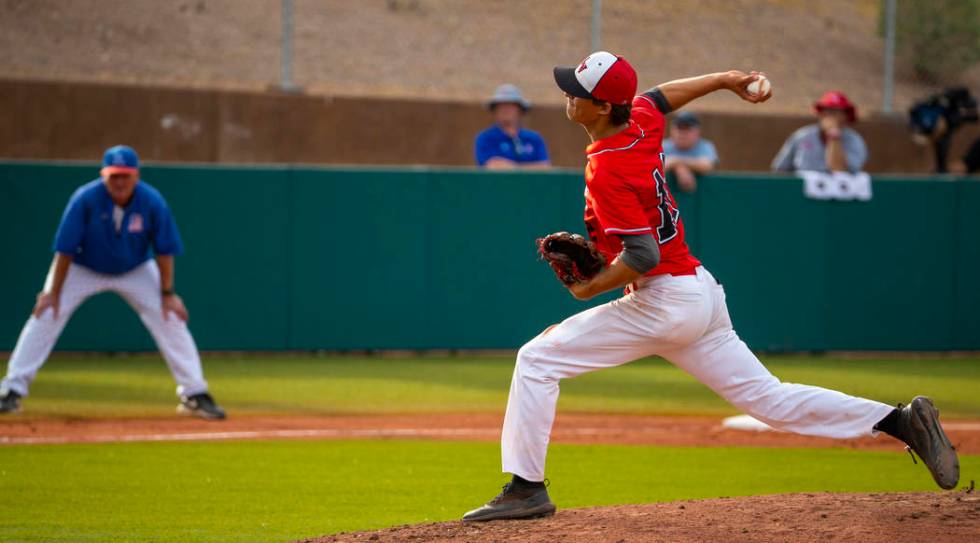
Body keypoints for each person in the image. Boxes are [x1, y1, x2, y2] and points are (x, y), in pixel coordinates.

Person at [462, 52, 958, 522]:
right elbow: (660, 97)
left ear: (601, 105)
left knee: (537, 359)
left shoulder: (609, 166)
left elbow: (641, 256)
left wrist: (589, 288)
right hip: (698, 292)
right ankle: (901, 421)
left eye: (577, 90)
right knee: (770, 399)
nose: (568, 95)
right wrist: (725, 79)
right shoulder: (637, 120)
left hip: (665, 301)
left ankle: (527, 489)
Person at [0, 145, 226, 419]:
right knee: (46, 312)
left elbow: (165, 250)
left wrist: (167, 293)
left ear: (136, 176)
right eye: (114, 176)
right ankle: (11, 390)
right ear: (103, 175)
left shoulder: (152, 201)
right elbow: (65, 250)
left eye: (125, 176)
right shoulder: (85, 198)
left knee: (170, 316)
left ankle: (194, 393)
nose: (119, 182)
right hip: (85, 266)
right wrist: (52, 292)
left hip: (135, 268)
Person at [772, 91, 867, 173]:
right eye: (825, 110)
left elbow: (838, 171)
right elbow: (780, 169)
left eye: (834, 112)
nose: (828, 115)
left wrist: (833, 135)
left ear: (846, 116)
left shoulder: (854, 140)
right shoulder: (802, 136)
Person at [474, 84, 550, 169]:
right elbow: (492, 166)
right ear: (494, 111)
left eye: (511, 105)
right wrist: (530, 168)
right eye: (501, 106)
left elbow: (544, 167)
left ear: (520, 110)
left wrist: (509, 167)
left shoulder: (534, 138)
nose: (506, 109)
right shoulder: (485, 138)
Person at [663, 111, 718, 192]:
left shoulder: (705, 146)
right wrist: (679, 169)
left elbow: (706, 166)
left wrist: (676, 162)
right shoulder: (663, 145)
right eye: (679, 128)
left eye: (687, 128)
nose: (682, 133)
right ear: (672, 129)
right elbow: (655, 166)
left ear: (697, 131)